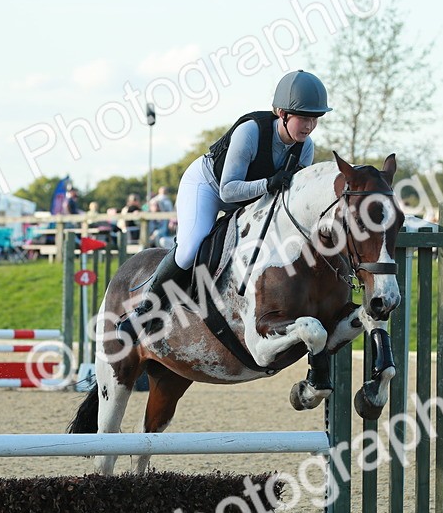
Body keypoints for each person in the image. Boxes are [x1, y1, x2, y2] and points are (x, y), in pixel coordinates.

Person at [117, 70, 330, 343]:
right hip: (209, 186)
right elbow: (228, 192)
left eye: (315, 119)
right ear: (281, 113)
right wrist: (267, 183)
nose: (309, 126)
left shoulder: (305, 148)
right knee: (190, 247)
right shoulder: (250, 132)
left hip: (249, 199)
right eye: (304, 117)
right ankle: (144, 312)